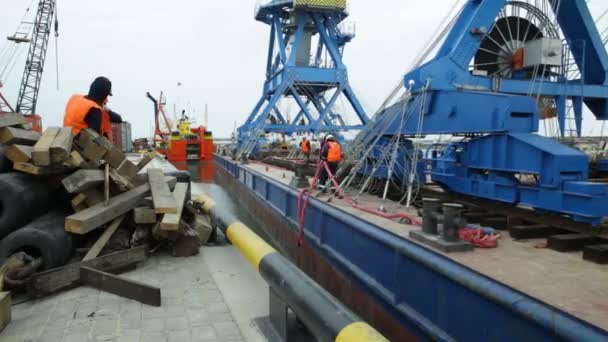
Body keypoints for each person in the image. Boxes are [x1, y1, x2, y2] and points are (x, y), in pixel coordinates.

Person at [63, 76, 123, 141]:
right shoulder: (95, 109)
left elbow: (118, 119)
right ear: (103, 95)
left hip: (67, 140)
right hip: (80, 146)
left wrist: (108, 110)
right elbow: (94, 138)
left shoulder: (75, 99)